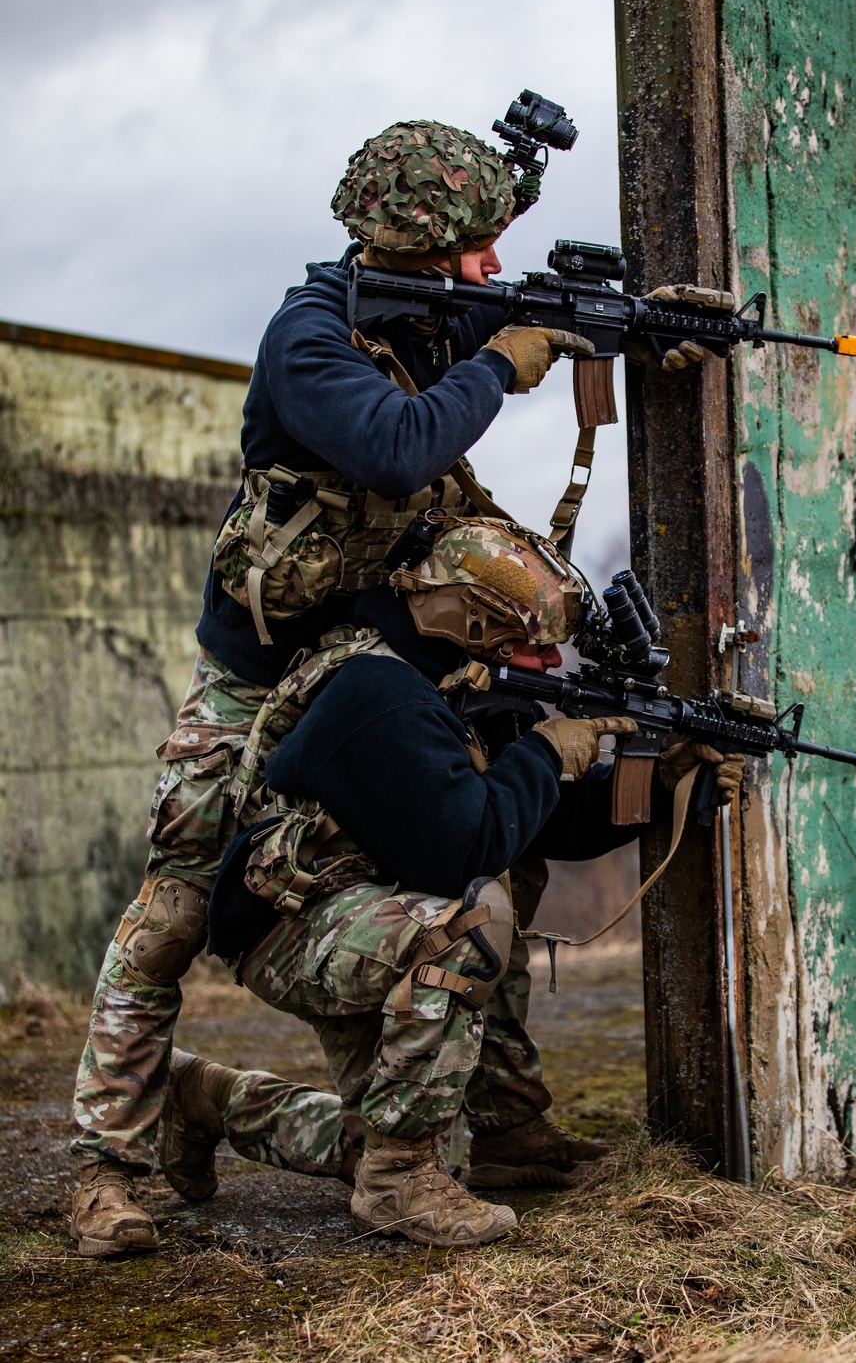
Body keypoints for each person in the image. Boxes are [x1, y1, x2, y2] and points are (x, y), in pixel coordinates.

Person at [68, 115, 721, 1258]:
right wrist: (502, 359)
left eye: (491, 245)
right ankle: (109, 1164)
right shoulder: (310, 336)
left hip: (379, 660)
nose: (484, 269)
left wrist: (631, 328)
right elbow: (392, 444)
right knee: (174, 902)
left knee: (480, 846)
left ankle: (506, 1121)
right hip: (258, 672)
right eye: (467, 249)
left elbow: (519, 311)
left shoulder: (432, 300)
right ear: (403, 244)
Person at [135, 516, 744, 1250]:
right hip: (289, 918)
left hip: (363, 908)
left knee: (385, 1135)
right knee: (469, 918)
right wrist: (549, 756)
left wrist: (668, 783)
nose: (550, 660)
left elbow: (533, 821)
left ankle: (211, 1098)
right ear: (472, 621)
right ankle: (398, 1182)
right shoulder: (376, 690)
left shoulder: (462, 679)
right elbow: (464, 847)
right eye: (532, 640)